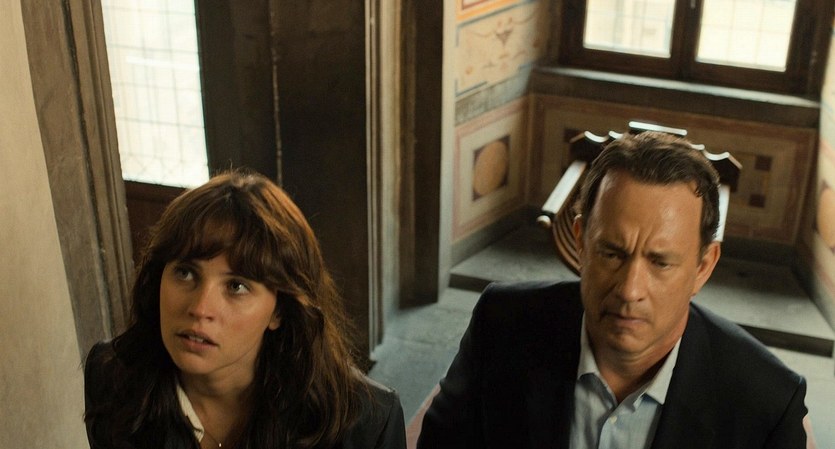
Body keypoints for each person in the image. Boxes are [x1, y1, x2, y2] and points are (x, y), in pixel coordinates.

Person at [417, 131, 808, 448]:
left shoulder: (768, 401)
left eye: (660, 262)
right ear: (580, 242)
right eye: (612, 253)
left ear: (703, 267)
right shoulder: (500, 325)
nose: (629, 290)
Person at [84, 170, 406, 449]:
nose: (200, 308)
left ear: (279, 311)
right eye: (185, 272)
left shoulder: (364, 425)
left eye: (236, 286)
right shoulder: (113, 377)